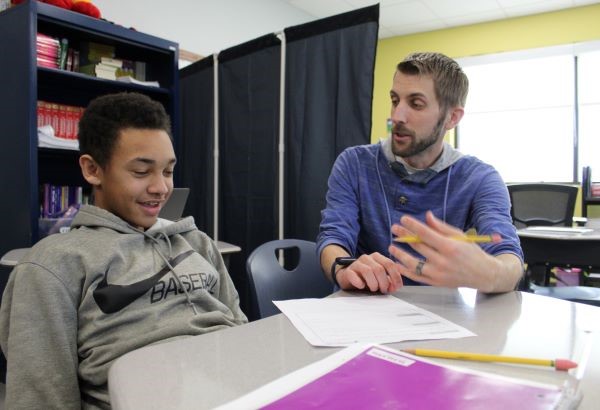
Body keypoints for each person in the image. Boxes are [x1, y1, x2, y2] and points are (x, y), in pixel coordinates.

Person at [0, 92, 247, 408]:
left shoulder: (195, 242)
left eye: (168, 171)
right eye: (141, 172)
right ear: (93, 170)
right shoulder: (54, 265)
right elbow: (41, 400)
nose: (161, 188)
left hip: (239, 390)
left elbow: (241, 331)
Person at [317, 52, 523, 295]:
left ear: (452, 118)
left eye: (416, 104)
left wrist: (493, 273)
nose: (396, 117)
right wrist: (345, 268)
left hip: (443, 320)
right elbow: (333, 237)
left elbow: (508, 257)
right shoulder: (353, 163)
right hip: (365, 311)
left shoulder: (480, 178)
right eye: (395, 100)